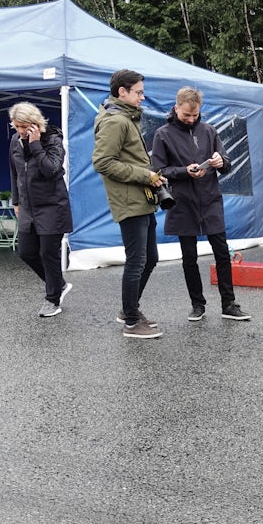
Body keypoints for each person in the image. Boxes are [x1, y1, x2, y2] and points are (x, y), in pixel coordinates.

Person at [151, 87, 250, 324]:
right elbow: (158, 170)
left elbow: (227, 164)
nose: (192, 119)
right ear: (177, 108)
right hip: (183, 202)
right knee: (189, 258)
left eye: (195, 115)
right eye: (187, 115)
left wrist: (219, 161)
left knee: (222, 254)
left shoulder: (209, 130)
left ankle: (229, 304)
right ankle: (197, 304)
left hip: (210, 199)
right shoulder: (162, 134)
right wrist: (185, 171)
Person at [92, 69, 166, 339]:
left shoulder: (127, 117)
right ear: (122, 92)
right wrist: (144, 175)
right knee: (136, 261)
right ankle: (132, 323)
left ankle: (129, 309)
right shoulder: (115, 121)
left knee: (151, 259)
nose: (142, 98)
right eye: (138, 93)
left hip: (142, 196)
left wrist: (152, 176)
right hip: (129, 199)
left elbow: (131, 158)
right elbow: (102, 162)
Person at [8, 102, 73, 318]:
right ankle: (59, 284)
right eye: (16, 127)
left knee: (48, 253)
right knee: (26, 253)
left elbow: (52, 171)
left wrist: (36, 145)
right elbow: (15, 173)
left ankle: (52, 299)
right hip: (28, 206)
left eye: (24, 126)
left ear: (35, 123)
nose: (20, 131)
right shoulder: (15, 142)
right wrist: (16, 201)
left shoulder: (53, 140)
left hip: (52, 206)